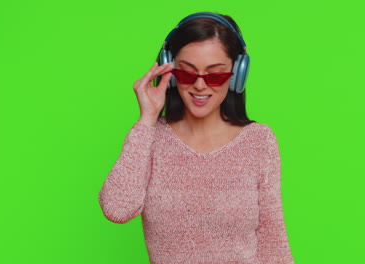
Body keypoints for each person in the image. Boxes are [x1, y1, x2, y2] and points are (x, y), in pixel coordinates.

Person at [99, 12, 294, 263]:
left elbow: (273, 243)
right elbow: (117, 208)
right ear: (170, 72)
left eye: (215, 75)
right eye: (187, 74)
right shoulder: (151, 138)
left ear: (237, 75)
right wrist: (147, 119)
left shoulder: (258, 141)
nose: (200, 86)